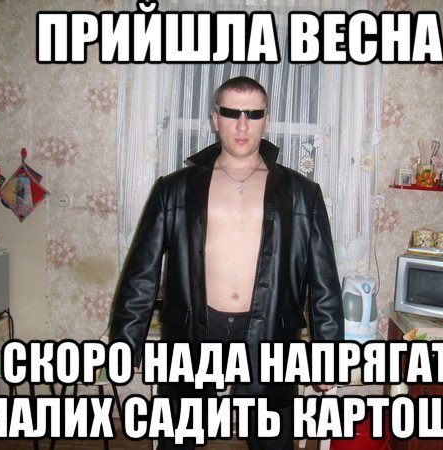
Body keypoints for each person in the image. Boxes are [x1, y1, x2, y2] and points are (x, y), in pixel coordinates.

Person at [110, 76, 344, 449]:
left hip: (270, 332)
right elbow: (142, 273)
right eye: (232, 113)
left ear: (267, 120)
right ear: (215, 118)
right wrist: (127, 340)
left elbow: (324, 283)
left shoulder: (303, 194)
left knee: (271, 439)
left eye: (253, 114)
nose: (242, 125)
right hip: (192, 330)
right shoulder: (174, 189)